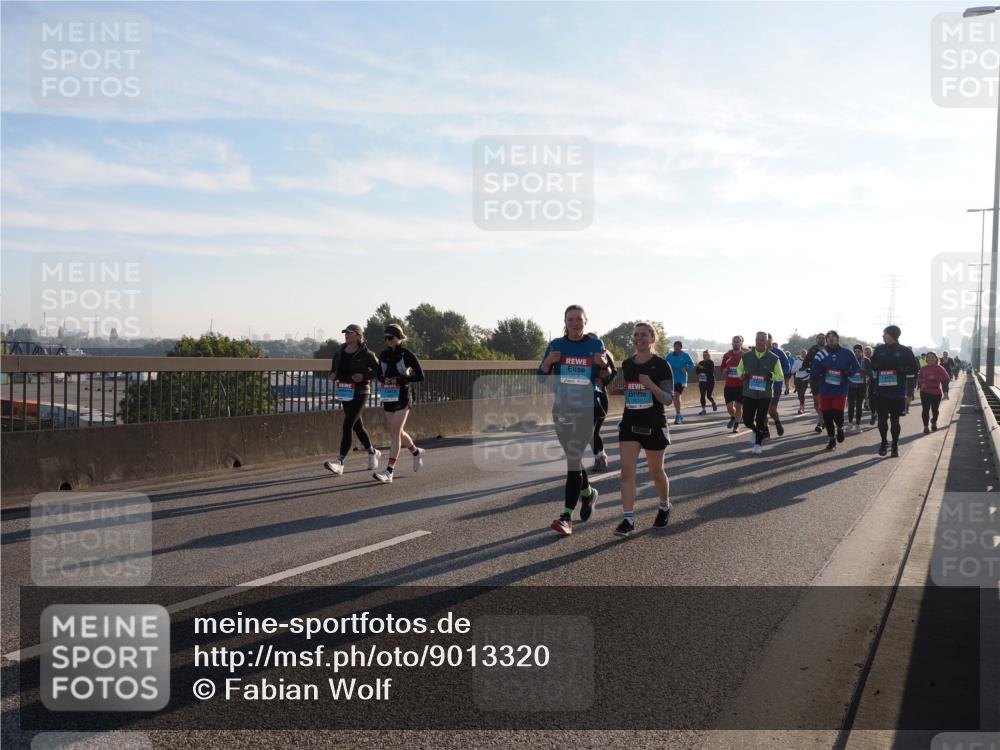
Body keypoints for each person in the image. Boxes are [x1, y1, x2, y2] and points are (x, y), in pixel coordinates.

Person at [539, 305, 611, 536]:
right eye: (570, 320)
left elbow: (607, 375)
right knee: (574, 458)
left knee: (572, 459)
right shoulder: (556, 346)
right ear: (565, 322)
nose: (575, 323)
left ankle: (566, 516)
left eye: (578, 319)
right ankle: (588, 494)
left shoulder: (595, 345)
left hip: (586, 408)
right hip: (562, 408)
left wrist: (604, 366)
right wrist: (549, 361)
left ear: (585, 321)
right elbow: (541, 378)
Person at [608, 322, 674, 538]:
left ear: (653, 339)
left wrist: (651, 385)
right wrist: (620, 391)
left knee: (656, 472)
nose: (639, 338)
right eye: (636, 335)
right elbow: (632, 391)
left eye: (644, 335)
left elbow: (667, 399)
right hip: (630, 423)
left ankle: (664, 505)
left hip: (654, 423)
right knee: (627, 471)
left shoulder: (662, 365)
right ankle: (628, 519)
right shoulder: (627, 364)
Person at [324, 324, 381, 475]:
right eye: (345, 333)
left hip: (361, 392)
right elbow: (333, 370)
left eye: (349, 333)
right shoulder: (339, 352)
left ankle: (340, 462)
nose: (346, 335)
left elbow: (378, 370)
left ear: (358, 336)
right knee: (357, 426)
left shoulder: (367, 354)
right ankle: (372, 452)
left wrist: (363, 376)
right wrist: (332, 375)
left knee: (347, 424)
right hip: (345, 392)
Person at [372, 324, 426, 483]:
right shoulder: (383, 355)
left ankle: (389, 471)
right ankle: (416, 452)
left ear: (399, 337)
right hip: (389, 395)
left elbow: (420, 376)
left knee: (395, 433)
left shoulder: (407, 354)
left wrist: (403, 379)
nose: (387, 340)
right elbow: (379, 374)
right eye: (385, 338)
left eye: (391, 337)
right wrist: (385, 379)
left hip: (404, 396)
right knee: (399, 432)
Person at [869, 325, 918, 458]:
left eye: (885, 334)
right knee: (882, 420)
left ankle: (895, 445)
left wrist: (902, 370)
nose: (883, 336)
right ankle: (884, 442)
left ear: (892, 335)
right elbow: (872, 366)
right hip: (880, 391)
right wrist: (876, 367)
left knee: (895, 421)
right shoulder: (879, 349)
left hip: (897, 392)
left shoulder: (905, 351)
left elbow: (914, 370)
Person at [737, 331, 784, 455]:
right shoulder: (746, 356)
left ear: (767, 341)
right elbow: (739, 370)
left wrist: (772, 376)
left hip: (765, 395)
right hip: (749, 393)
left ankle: (758, 444)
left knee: (760, 419)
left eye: (762, 340)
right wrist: (742, 375)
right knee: (747, 420)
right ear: (755, 340)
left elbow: (780, 376)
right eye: (758, 339)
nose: (760, 342)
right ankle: (757, 431)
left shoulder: (774, 358)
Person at [811, 331, 860, 450]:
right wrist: (821, 372)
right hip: (825, 389)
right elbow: (814, 370)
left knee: (838, 414)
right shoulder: (821, 354)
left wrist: (848, 373)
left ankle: (840, 428)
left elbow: (856, 367)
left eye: (834, 337)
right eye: (829, 337)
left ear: (838, 339)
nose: (831, 339)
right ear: (826, 340)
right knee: (827, 416)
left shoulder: (847, 352)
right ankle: (831, 439)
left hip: (840, 389)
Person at [589, 339, 617, 472]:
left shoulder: (605, 354)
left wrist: (603, 381)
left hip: (600, 397)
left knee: (594, 431)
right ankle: (599, 456)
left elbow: (613, 372)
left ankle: (601, 457)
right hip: (584, 397)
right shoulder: (584, 354)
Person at [720, 335, 748, 433]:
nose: (736, 343)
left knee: (739, 406)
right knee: (729, 408)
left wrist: (744, 374)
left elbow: (749, 369)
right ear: (732, 343)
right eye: (734, 341)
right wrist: (725, 370)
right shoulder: (727, 355)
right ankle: (733, 416)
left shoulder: (745, 355)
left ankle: (736, 425)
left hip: (741, 386)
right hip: (729, 386)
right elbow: (722, 369)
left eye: (738, 341)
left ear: (741, 343)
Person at [802, 333, 829, 433]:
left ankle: (821, 422)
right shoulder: (812, 350)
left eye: (823, 338)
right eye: (819, 338)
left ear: (825, 340)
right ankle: (822, 420)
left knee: (822, 401)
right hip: (814, 378)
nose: (821, 339)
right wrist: (807, 368)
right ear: (816, 339)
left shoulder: (829, 349)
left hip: (826, 379)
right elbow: (805, 363)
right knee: (816, 403)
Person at [917, 352, 950, 433]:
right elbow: (919, 378)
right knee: (925, 409)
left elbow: (946, 378)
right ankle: (925, 427)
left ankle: (934, 421)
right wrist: (922, 382)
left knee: (935, 410)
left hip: (936, 392)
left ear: (936, 358)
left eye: (932, 357)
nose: (930, 358)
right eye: (928, 357)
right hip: (925, 392)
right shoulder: (923, 368)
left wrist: (935, 377)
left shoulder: (940, 368)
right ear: (926, 359)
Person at [665, 341, 696, 424]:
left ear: (681, 347)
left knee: (676, 395)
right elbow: (664, 365)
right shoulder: (669, 356)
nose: (676, 348)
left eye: (678, 346)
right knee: (675, 397)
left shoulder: (685, 355)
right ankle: (679, 414)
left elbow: (692, 365)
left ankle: (678, 415)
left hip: (681, 380)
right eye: (675, 346)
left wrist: (686, 368)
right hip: (672, 380)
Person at [766, 333, 790, 436]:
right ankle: (766, 431)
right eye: (760, 339)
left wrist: (776, 374)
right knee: (762, 410)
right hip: (759, 385)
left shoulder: (779, 352)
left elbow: (787, 367)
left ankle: (777, 422)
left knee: (771, 410)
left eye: (766, 339)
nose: (763, 341)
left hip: (775, 385)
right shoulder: (757, 353)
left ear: (771, 340)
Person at [846, 344, 870, 433]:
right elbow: (845, 371)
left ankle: (858, 425)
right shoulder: (849, 360)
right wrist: (852, 371)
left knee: (859, 406)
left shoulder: (866, 360)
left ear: (862, 352)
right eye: (855, 352)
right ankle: (849, 424)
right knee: (851, 405)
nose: (857, 353)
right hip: (851, 385)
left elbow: (870, 372)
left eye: (859, 352)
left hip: (861, 386)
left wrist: (862, 371)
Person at [695, 349, 718, 415]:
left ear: (709, 355)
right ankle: (703, 410)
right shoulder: (701, 362)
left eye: (706, 355)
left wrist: (702, 368)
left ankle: (713, 402)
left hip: (710, 381)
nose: (704, 356)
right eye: (703, 355)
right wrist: (698, 367)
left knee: (708, 395)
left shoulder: (711, 362)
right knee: (702, 395)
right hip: (702, 381)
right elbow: (697, 372)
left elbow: (711, 372)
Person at [791, 349, 810, 414]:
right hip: (797, 379)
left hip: (805, 379)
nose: (803, 354)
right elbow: (792, 370)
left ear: (806, 354)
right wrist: (800, 369)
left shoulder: (809, 361)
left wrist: (808, 370)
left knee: (802, 394)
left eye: (805, 353)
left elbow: (812, 369)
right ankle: (802, 405)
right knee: (799, 395)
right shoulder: (797, 361)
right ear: (800, 354)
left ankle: (801, 408)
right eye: (802, 353)